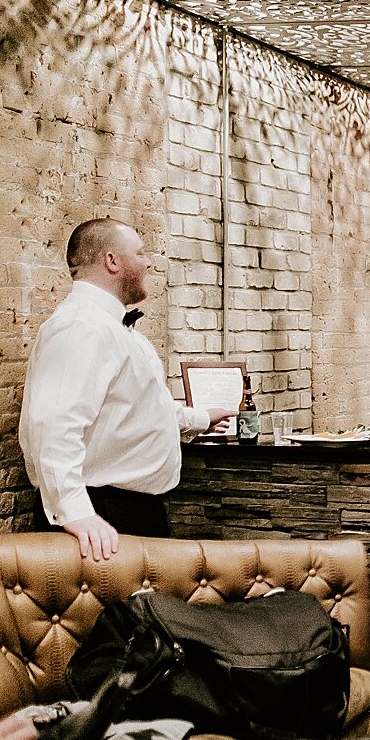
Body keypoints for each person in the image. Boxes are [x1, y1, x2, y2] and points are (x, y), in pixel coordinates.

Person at [19, 218, 236, 562]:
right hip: (101, 513)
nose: (148, 262)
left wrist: (200, 419)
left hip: (132, 511)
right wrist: (77, 512)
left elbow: (135, 409)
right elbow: (53, 425)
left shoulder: (115, 327)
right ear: (112, 261)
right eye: (140, 252)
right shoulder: (81, 326)